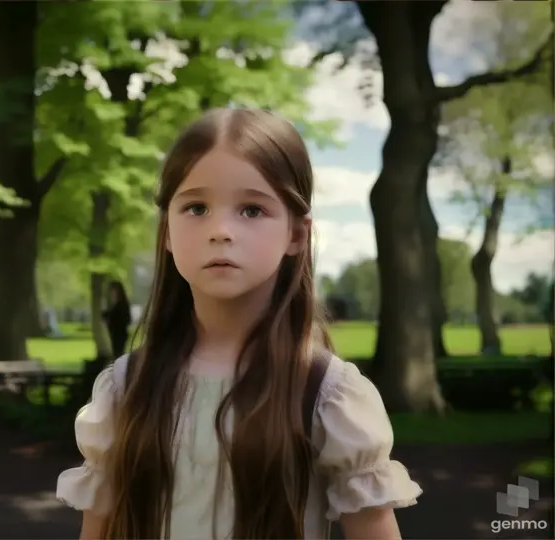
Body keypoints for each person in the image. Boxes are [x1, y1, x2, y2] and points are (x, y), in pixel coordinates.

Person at [56, 108, 422, 539]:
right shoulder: (125, 388)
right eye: (196, 207)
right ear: (166, 234)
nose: (221, 230)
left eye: (251, 210)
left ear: (297, 235)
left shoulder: (327, 394)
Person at [102, 280, 132, 358]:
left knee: (118, 354)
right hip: (115, 333)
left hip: (119, 334)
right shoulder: (114, 304)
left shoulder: (121, 305)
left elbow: (126, 319)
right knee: (117, 354)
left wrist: (111, 320)